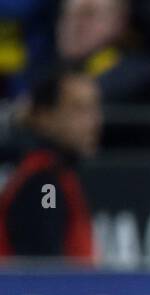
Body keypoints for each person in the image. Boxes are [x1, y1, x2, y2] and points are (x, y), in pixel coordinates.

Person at [0, 65, 100, 261]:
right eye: (78, 109)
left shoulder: (56, 175)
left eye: (94, 108)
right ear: (45, 117)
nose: (94, 121)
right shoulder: (46, 185)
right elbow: (44, 267)